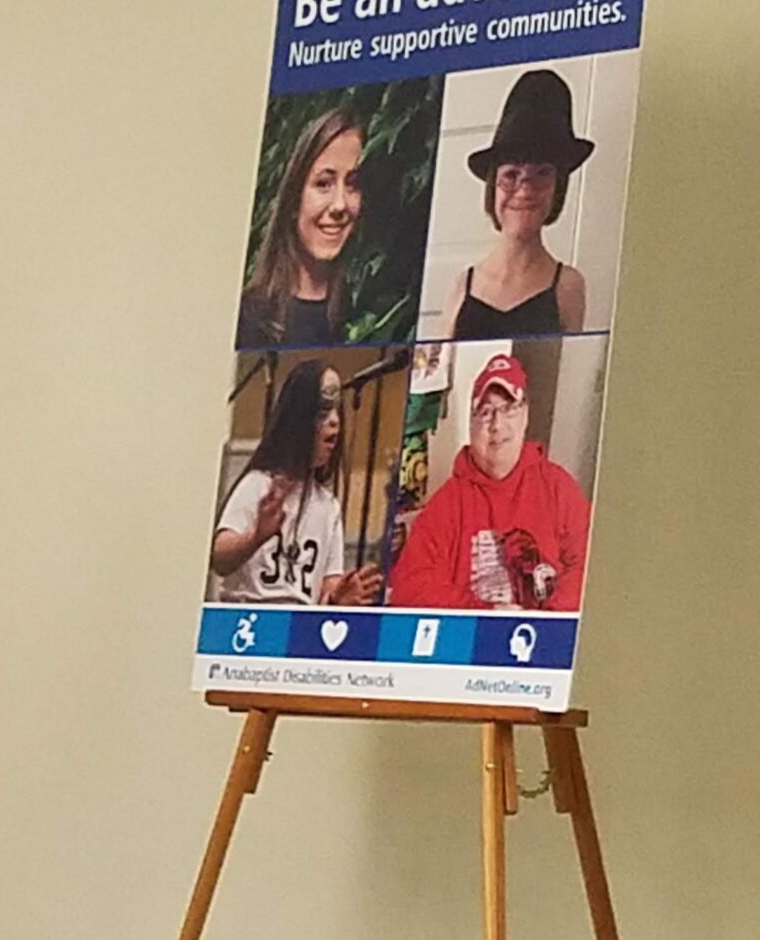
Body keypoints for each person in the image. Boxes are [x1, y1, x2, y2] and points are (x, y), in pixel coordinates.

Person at [386, 352, 588, 611]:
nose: (497, 424)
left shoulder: (558, 487)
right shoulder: (447, 503)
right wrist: (484, 611)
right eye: (486, 411)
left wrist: (541, 615)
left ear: (525, 415)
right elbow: (409, 587)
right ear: (472, 424)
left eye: (508, 408)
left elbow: (592, 567)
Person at [439, 68, 593, 339]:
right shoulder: (462, 286)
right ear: (492, 186)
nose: (524, 191)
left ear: (558, 187)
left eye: (541, 175)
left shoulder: (568, 286)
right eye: (511, 175)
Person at [209, 361, 379, 605]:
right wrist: (255, 537)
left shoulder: (328, 506)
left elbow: (329, 584)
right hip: (250, 622)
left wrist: (338, 599)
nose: (334, 422)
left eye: (337, 411)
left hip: (298, 629)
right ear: (299, 419)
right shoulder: (258, 484)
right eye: (323, 411)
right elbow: (219, 558)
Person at [236, 109, 364, 346]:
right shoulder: (250, 317)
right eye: (323, 184)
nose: (339, 205)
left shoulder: (363, 307)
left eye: (353, 185)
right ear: (295, 198)